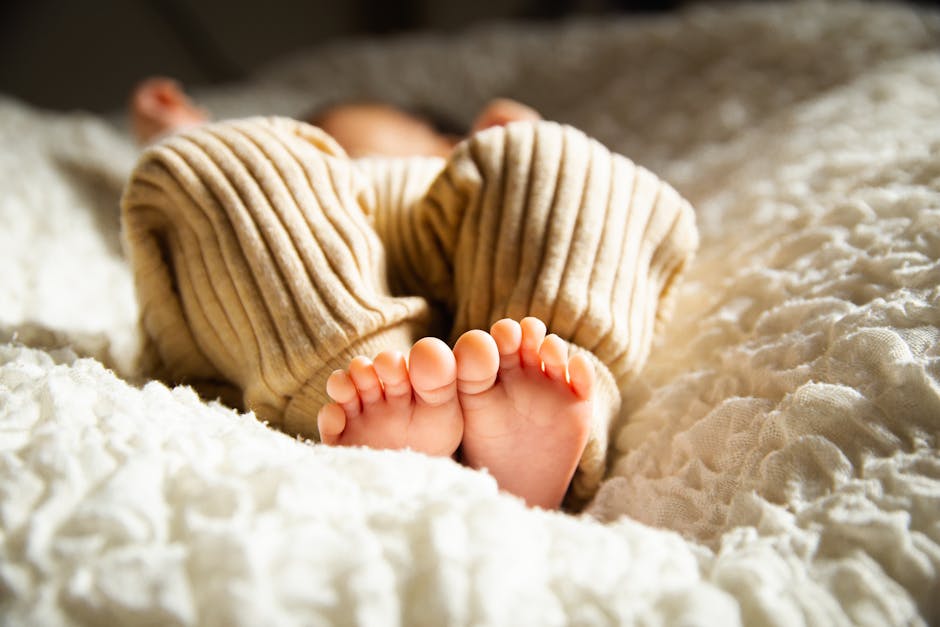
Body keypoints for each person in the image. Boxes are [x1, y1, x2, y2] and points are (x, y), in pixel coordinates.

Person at [121, 77, 697, 510]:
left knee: (562, 167)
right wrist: (192, 135)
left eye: (328, 135)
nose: (317, 147)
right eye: (310, 140)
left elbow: (538, 196)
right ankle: (367, 387)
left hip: (468, 253)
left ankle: (536, 383)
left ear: (450, 140)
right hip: (302, 285)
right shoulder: (295, 169)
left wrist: (518, 140)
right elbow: (235, 183)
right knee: (227, 168)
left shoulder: (464, 171)